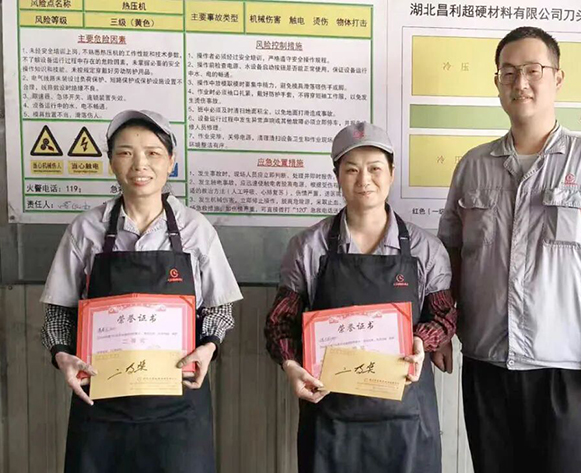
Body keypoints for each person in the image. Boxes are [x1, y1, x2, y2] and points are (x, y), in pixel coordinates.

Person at [433, 26, 581, 473]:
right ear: (497, 82)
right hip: (487, 363)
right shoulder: (473, 166)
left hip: (568, 366)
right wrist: (443, 328)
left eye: (534, 70)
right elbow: (451, 254)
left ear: (557, 78)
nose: (521, 83)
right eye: (508, 72)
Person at [40, 110, 243, 473]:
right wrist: (62, 355)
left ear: (171, 161)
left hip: (179, 407)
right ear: (111, 162)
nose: (139, 164)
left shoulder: (196, 230)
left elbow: (219, 308)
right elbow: (59, 312)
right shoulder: (85, 230)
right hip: (101, 408)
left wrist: (209, 346)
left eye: (152, 153)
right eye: (125, 153)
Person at [264, 122, 457, 473]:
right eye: (351, 169)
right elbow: (281, 322)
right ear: (337, 176)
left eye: (375, 168)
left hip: (407, 421)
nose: (364, 180)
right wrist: (291, 366)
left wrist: (420, 340)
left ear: (392, 173)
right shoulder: (307, 247)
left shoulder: (425, 248)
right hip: (331, 420)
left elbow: (444, 315)